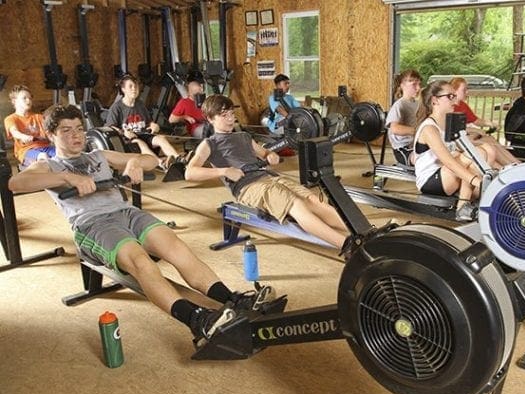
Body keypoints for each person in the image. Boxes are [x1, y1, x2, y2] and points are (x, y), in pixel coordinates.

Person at [8, 104, 280, 346]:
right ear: (52, 134)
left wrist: (136, 162)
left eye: (79, 129)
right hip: (93, 226)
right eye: (66, 131)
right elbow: (16, 184)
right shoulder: (50, 166)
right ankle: (197, 319)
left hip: (126, 213)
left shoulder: (99, 155)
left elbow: (153, 161)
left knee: (176, 248)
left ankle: (232, 298)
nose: (76, 135)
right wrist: (68, 178)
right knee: (142, 262)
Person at [185, 94, 350, 250]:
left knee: (313, 200)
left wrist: (272, 156)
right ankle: (347, 245)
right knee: (296, 205)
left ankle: (361, 233)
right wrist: (224, 171)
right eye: (224, 115)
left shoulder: (243, 136)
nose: (230, 118)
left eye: (231, 113)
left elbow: (265, 153)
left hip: (270, 178)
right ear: (210, 119)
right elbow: (190, 173)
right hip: (248, 187)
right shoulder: (209, 144)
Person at [413, 81, 484, 222]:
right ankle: (463, 207)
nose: (456, 100)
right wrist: (477, 181)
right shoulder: (429, 128)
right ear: (435, 101)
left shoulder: (446, 125)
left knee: (481, 152)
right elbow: (449, 162)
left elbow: (460, 151)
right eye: (450, 96)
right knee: (470, 158)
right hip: (430, 181)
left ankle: (467, 203)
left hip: (446, 176)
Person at [104, 74, 184, 168]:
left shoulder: (140, 105)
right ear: (123, 89)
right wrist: (123, 132)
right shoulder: (116, 107)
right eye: (130, 86)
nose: (134, 89)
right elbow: (110, 127)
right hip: (128, 140)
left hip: (143, 135)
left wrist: (154, 125)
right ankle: (160, 163)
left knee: (161, 138)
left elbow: (149, 122)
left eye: (136, 86)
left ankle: (179, 159)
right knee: (140, 143)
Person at [450, 77, 519, 167]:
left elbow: (475, 120)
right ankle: (510, 167)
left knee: (491, 140)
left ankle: (516, 163)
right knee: (489, 144)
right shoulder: (450, 107)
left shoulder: (463, 105)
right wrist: (476, 131)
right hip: (458, 141)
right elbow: (453, 127)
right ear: (454, 91)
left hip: (467, 137)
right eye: (464, 90)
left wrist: (490, 123)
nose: (467, 92)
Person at [3, 85, 56, 167]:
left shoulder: (39, 117)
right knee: (43, 157)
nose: (28, 100)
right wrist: (24, 136)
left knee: (63, 155)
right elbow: (14, 132)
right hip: (26, 150)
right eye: (24, 98)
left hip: (45, 147)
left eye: (30, 98)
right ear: (14, 101)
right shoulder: (10, 119)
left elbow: (49, 131)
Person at [385, 69, 422, 166]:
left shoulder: (417, 104)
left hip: (415, 145)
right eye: (414, 84)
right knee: (426, 159)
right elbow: (395, 128)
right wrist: (419, 131)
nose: (418, 88)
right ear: (402, 85)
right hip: (403, 150)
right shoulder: (399, 105)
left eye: (419, 84)